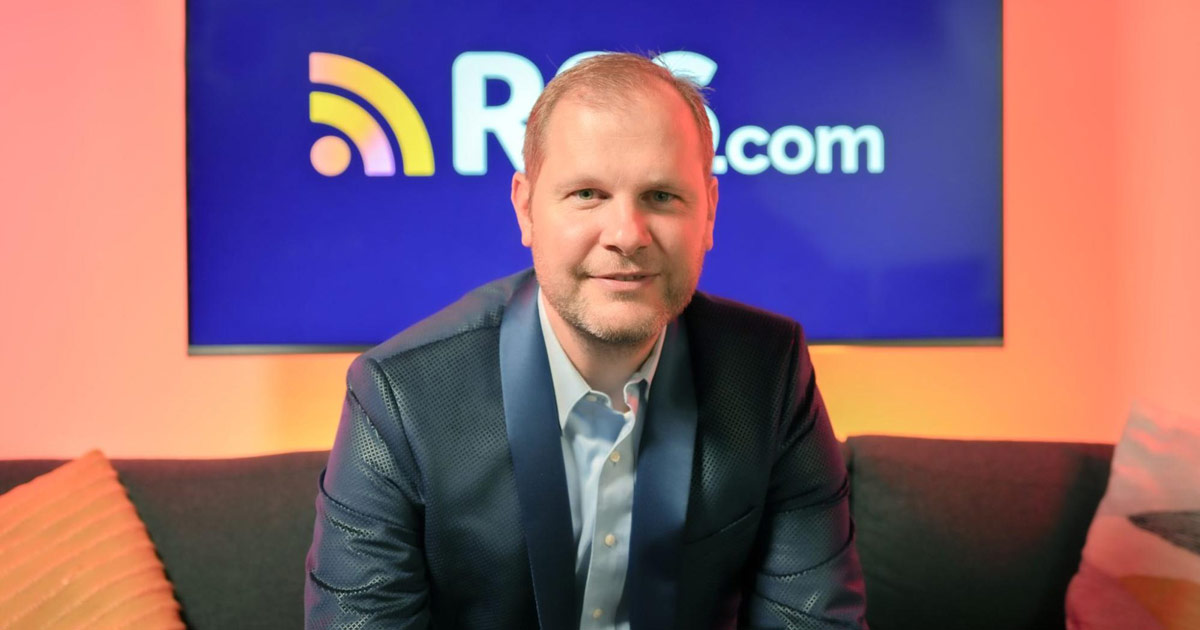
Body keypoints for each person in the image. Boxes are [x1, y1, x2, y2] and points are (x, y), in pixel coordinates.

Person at [305, 52, 868, 629]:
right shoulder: (401, 395)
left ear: (709, 213)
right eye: (588, 194)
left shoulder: (770, 374)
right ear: (526, 208)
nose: (627, 235)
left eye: (661, 196)